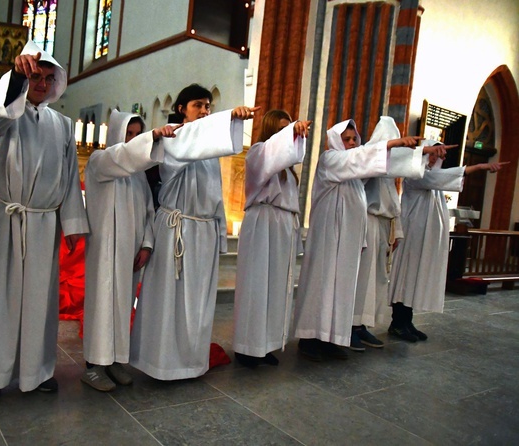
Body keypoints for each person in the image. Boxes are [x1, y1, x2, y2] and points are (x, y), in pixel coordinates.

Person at [0, 41, 88, 396]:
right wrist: (17, 79)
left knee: (40, 299)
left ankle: (36, 371)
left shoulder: (63, 125)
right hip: (8, 217)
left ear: (57, 84)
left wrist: (72, 223)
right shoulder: (10, 112)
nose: (43, 83)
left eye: (49, 78)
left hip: (44, 222)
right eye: (37, 76)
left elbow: (69, 176)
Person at [129, 84, 257, 380]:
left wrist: (219, 235)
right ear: (181, 109)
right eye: (198, 105)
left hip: (202, 232)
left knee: (198, 303)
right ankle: (159, 362)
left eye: (208, 106)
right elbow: (192, 142)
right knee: (168, 301)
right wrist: (229, 119)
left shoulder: (208, 147)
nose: (204, 111)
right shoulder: (173, 136)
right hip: (177, 228)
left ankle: (190, 361)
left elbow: (216, 194)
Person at [291, 119, 443, 361]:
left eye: (354, 139)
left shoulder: (356, 179)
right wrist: (393, 144)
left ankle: (330, 338)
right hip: (329, 242)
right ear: (334, 140)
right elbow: (359, 159)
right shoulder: (330, 160)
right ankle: (310, 339)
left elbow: (379, 171)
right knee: (322, 286)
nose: (352, 143)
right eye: (347, 139)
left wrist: (421, 153)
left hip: (348, 242)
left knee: (341, 291)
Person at [82, 110, 181, 391]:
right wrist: (151, 138)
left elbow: (149, 211)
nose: (135, 140)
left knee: (122, 307)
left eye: (139, 134)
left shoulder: (137, 175)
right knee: (102, 306)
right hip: (105, 251)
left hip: (130, 252)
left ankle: (113, 361)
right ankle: (92, 366)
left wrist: (147, 244)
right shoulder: (100, 161)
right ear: (116, 134)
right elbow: (120, 157)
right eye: (129, 134)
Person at [388, 143, 508, 341]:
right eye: (431, 155)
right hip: (412, 237)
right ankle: (397, 323)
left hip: (423, 239)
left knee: (416, 279)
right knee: (406, 278)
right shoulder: (416, 175)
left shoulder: (434, 182)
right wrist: (478, 167)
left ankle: (406, 321)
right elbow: (438, 178)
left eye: (438, 156)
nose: (434, 160)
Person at [350, 116, 443, 351]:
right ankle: (351, 326)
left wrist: (397, 231)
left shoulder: (388, 176)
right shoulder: (368, 163)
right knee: (362, 280)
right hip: (368, 224)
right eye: (390, 143)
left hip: (382, 227)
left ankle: (362, 325)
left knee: (376, 281)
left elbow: (393, 202)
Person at [233, 110, 310, 367]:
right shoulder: (258, 151)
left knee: (275, 286)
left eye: (290, 129)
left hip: (282, 225)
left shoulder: (287, 169)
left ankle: (265, 343)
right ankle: (247, 346)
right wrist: (292, 134)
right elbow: (270, 156)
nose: (288, 134)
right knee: (256, 284)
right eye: (282, 129)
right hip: (263, 222)